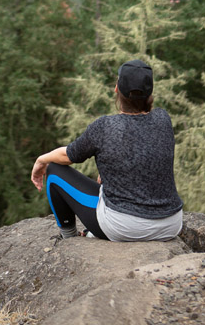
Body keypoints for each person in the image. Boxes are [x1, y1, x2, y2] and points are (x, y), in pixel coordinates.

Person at [30, 59, 183, 241]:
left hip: (125, 228)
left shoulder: (105, 126)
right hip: (171, 225)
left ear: (116, 89)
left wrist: (41, 160)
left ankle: (69, 238)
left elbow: (67, 155)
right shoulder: (163, 119)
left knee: (54, 170)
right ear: (150, 93)